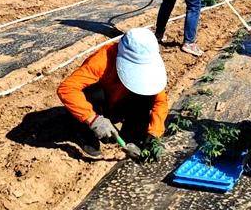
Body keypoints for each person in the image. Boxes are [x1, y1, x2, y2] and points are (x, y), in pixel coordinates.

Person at [57, 28, 168, 157]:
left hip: (120, 105)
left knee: (147, 95)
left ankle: (132, 135)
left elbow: (160, 101)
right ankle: (85, 133)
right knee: (93, 91)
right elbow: (67, 88)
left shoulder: (150, 66)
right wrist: (93, 119)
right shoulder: (102, 59)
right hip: (100, 105)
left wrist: (154, 133)